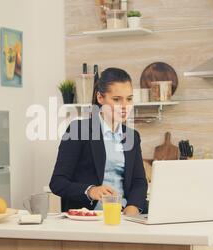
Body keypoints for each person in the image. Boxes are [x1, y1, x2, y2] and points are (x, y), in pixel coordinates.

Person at [50, 68, 148, 216]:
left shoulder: (132, 136)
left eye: (129, 99)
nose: (124, 106)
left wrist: (133, 206)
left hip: (124, 218)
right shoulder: (79, 130)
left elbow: (139, 181)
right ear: (100, 98)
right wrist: (91, 190)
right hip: (88, 218)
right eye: (116, 99)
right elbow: (57, 182)